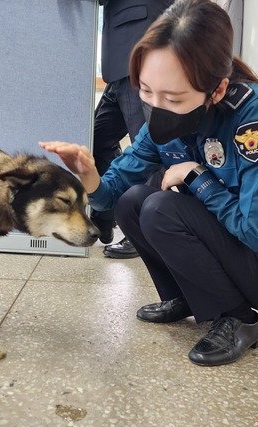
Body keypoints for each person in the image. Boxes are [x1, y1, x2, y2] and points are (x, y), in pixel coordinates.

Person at [41, 0, 258, 366]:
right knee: (134, 201)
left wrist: (196, 176)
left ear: (217, 91)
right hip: (239, 242)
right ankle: (185, 297)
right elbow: (111, 195)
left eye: (173, 98)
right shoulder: (164, 116)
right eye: (145, 91)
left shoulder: (256, 114)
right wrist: (89, 174)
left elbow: (257, 233)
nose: (156, 107)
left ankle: (240, 319)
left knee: (161, 208)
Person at [94, 0, 173, 259]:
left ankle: (142, 232)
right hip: (121, 61)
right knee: (97, 138)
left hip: (139, 48)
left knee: (148, 149)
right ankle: (105, 218)